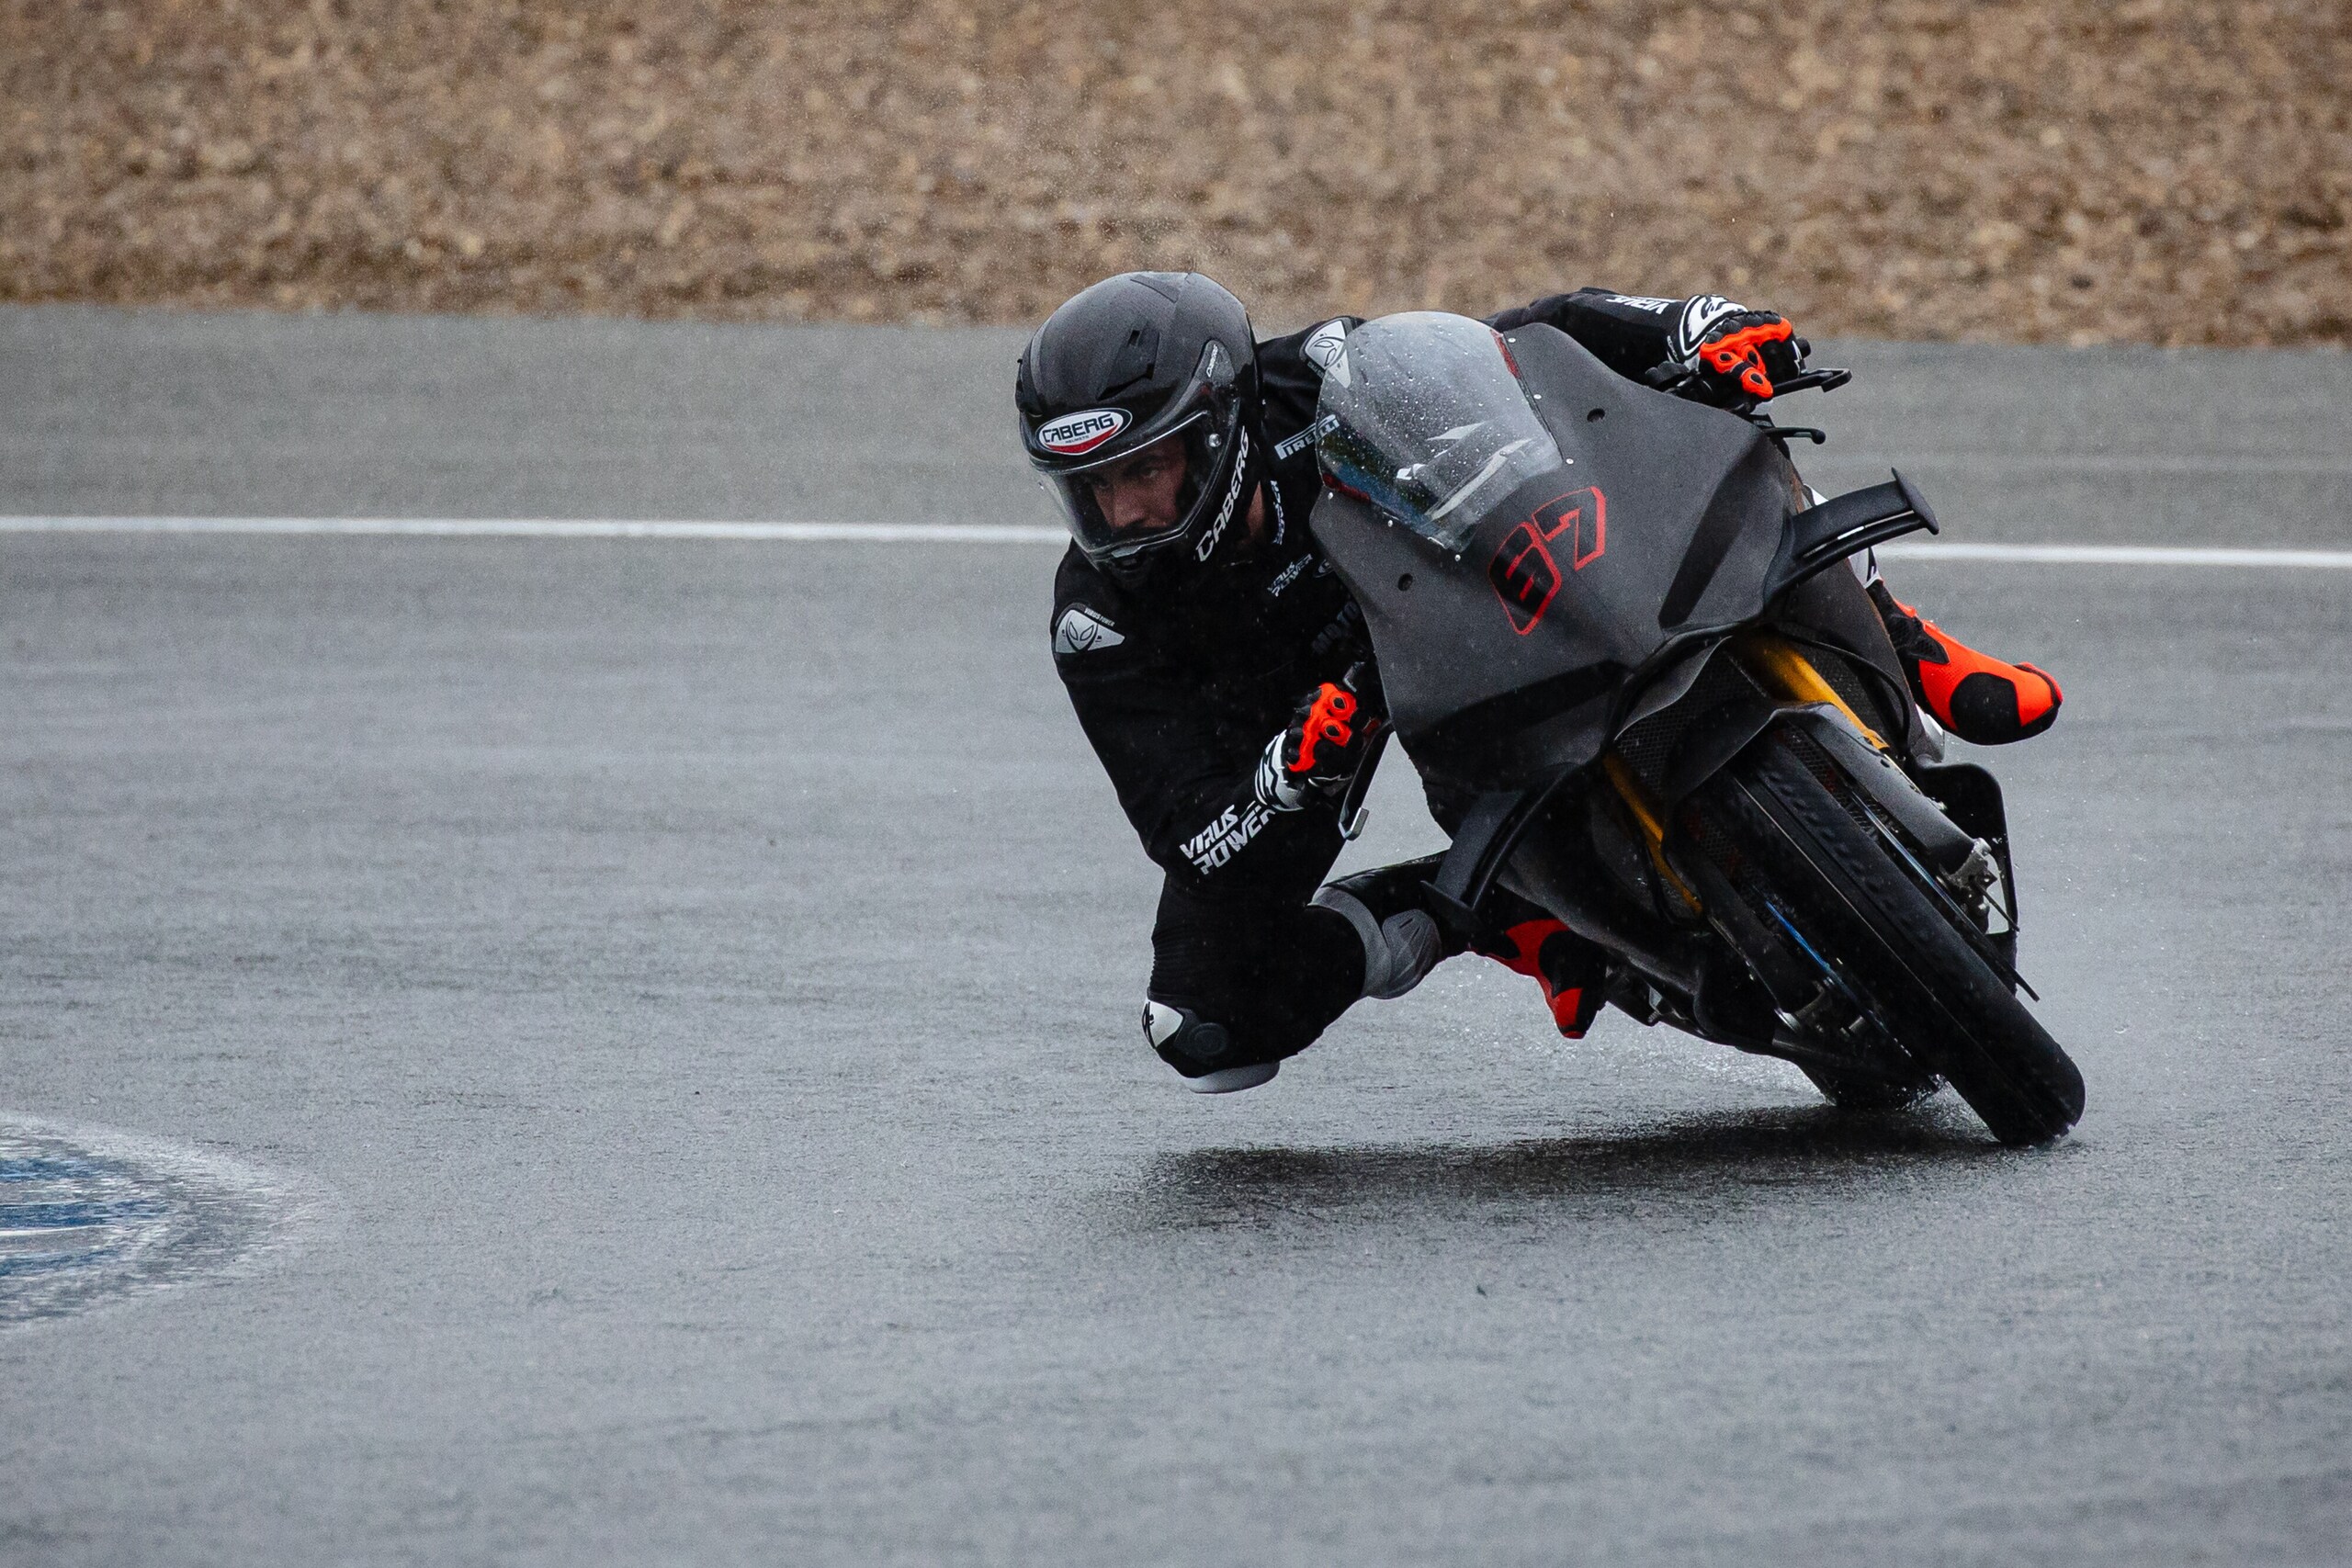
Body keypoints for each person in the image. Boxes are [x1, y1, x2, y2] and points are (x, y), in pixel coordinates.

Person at [1016, 271, 2062, 1094]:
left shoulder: (1319, 377)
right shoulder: (1101, 622)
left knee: (1698, 407)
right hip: (1341, 711)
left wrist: (1687, 330)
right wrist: (1290, 774)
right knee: (1202, 1027)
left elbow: (1530, 341)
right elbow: (1190, 834)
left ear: (1220, 426)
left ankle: (1905, 638)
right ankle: (1486, 914)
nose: (1126, 515)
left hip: (1455, 597)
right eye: (1094, 491)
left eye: (1146, 473)